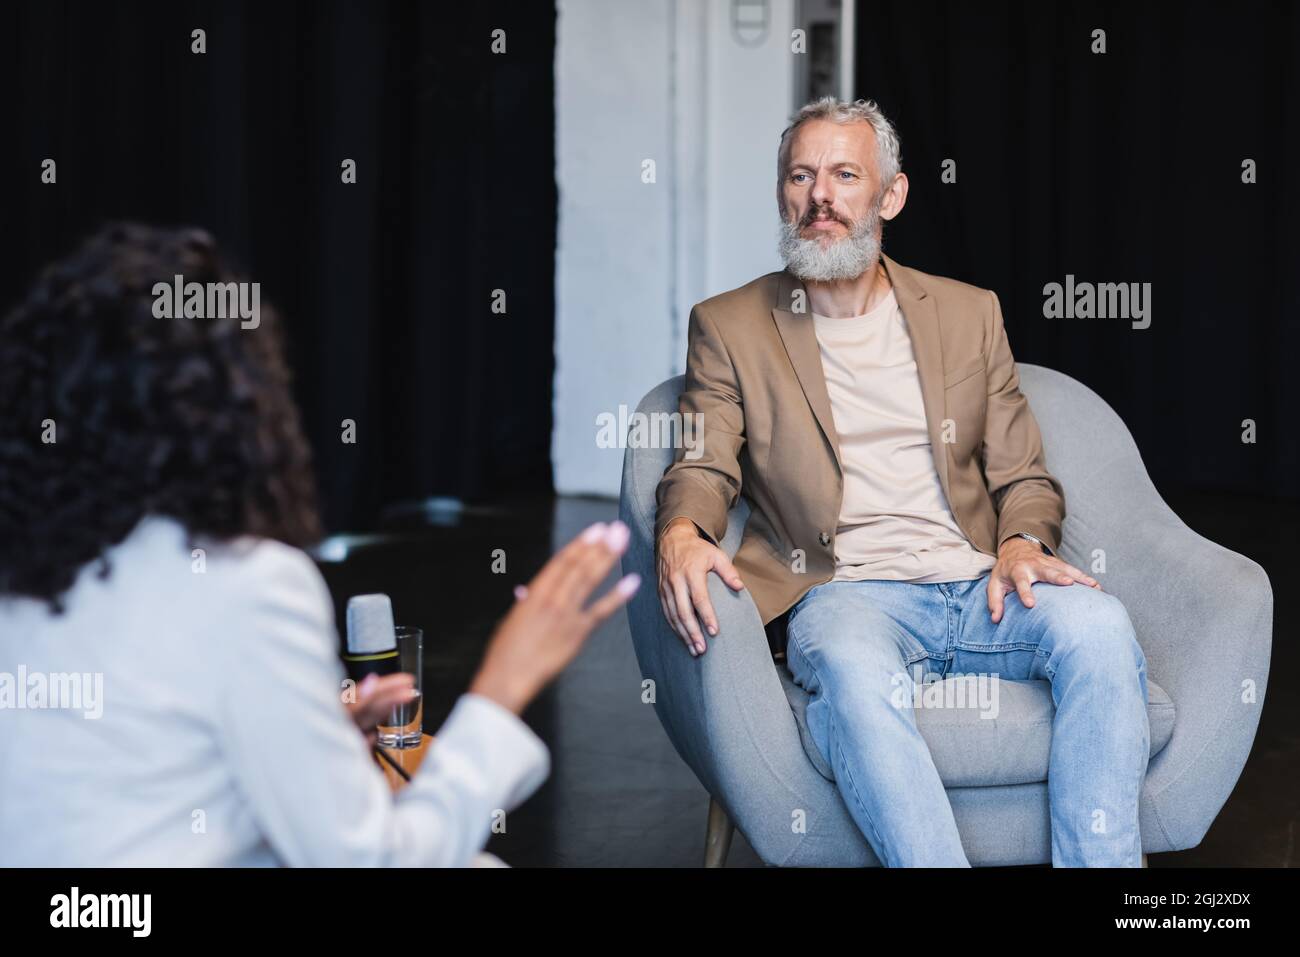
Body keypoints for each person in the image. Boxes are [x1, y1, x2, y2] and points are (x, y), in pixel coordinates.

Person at [0, 222, 640, 866]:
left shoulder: (28, 567)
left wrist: (309, 737)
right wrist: (504, 685)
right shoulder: (248, 586)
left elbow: (134, 779)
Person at [654, 97, 1150, 867]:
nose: (821, 196)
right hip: (845, 595)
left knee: (1101, 627)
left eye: (846, 175)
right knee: (851, 675)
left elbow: (1023, 474)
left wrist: (1020, 542)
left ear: (891, 195)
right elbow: (701, 460)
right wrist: (682, 530)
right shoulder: (730, 324)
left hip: (980, 585)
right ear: (783, 193)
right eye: (802, 175)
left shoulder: (967, 312)